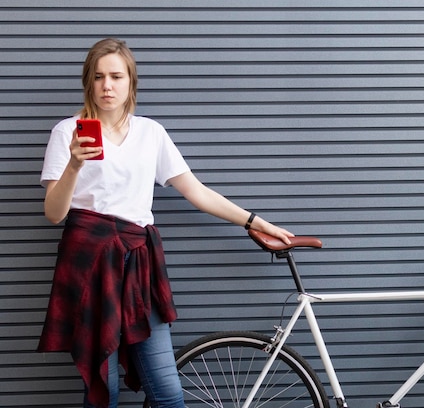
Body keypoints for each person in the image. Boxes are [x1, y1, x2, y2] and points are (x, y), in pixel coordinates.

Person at [37, 38, 293, 408]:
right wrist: (75, 163)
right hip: (89, 265)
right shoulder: (67, 132)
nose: (107, 85)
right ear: (87, 82)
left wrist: (254, 221)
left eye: (116, 76)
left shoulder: (150, 133)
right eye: (98, 77)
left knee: (168, 391)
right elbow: (54, 213)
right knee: (102, 390)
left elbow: (197, 192)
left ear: (131, 82)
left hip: (139, 264)